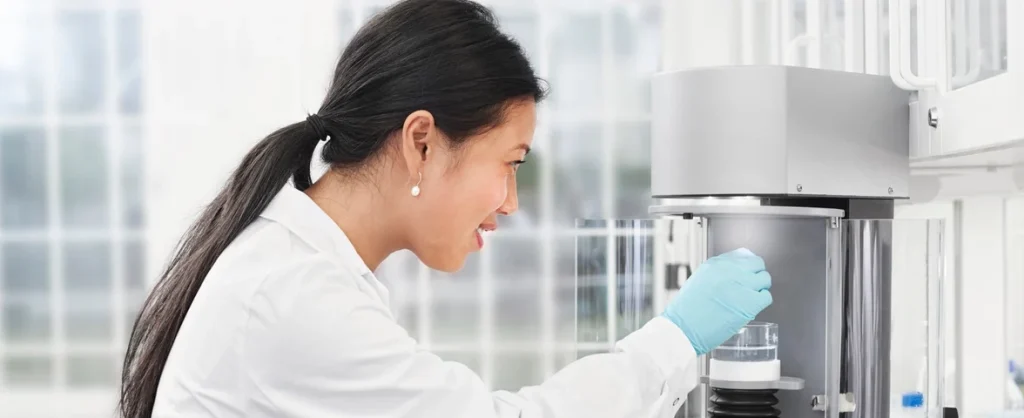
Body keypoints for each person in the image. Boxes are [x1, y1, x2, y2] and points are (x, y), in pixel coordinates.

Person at [119, 1, 773, 417]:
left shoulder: (304, 267)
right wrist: (674, 339)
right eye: (511, 164)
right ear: (422, 142)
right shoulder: (294, 294)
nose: (512, 203)